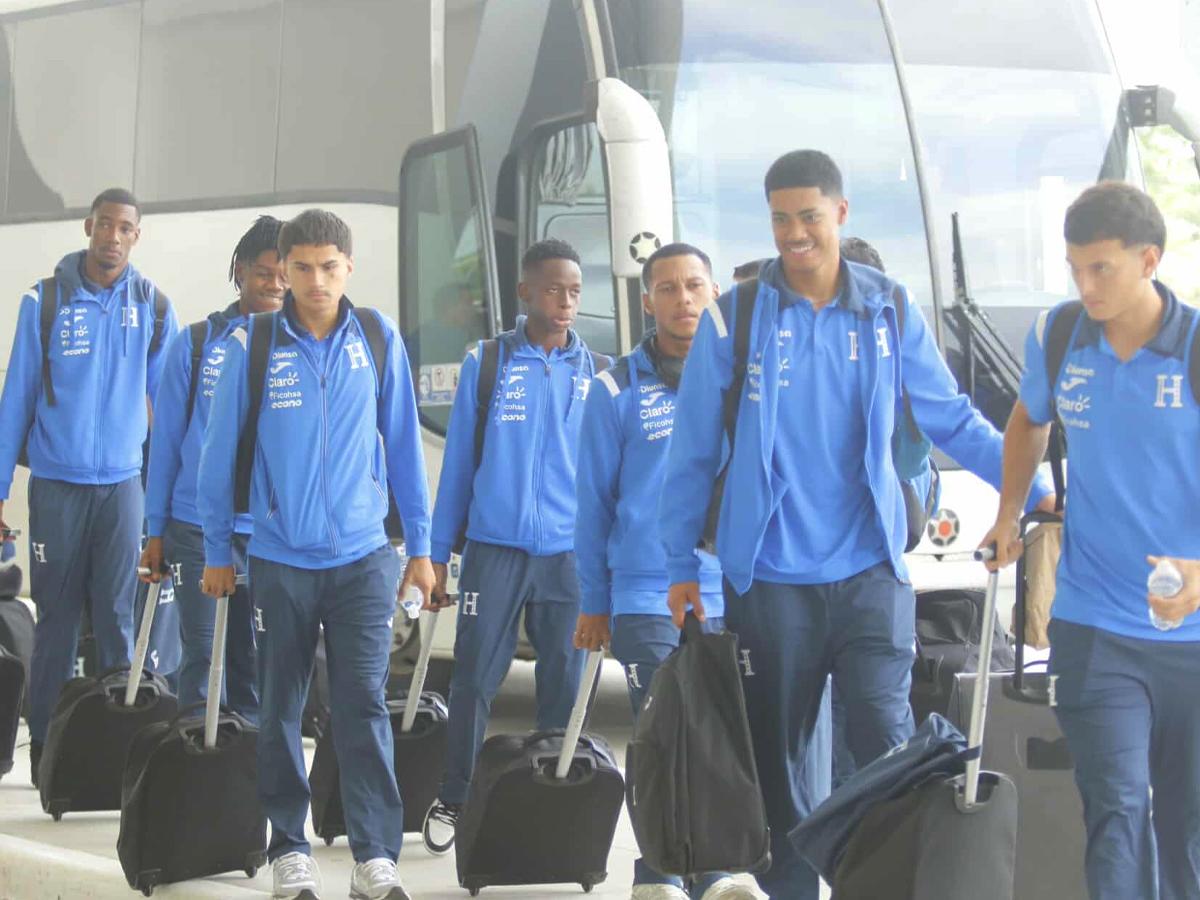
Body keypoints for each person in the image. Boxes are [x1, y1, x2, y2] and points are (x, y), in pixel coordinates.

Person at [658, 150, 1055, 900]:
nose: (794, 233)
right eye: (781, 218)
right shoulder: (732, 318)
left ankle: (880, 886)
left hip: (872, 574)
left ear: (840, 214)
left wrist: (1028, 491)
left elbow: (951, 416)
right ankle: (793, 892)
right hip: (768, 584)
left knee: (885, 741)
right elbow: (692, 451)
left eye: (809, 216)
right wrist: (683, 564)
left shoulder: (888, 308)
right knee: (778, 764)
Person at [198, 209, 434, 900]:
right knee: (280, 705)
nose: (314, 280)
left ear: (349, 268)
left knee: (361, 702)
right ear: (282, 269)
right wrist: (219, 549)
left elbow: (403, 449)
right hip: (278, 558)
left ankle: (374, 857)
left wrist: (420, 548)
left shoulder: (377, 338)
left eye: (329, 267)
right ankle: (289, 851)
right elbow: (218, 461)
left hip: (364, 558)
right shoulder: (254, 345)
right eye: (300, 267)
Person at [982, 182, 1200, 900]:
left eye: (1101, 267)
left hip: (1193, 637)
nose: (1085, 284)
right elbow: (1029, 421)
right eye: (1075, 267)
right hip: (1094, 622)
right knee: (1117, 809)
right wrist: (1010, 512)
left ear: (1150, 260)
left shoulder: (1195, 346)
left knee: (1187, 824)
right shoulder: (1059, 332)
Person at [573, 242, 754, 900]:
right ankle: (664, 872)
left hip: (731, 589)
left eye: (696, 286)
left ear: (714, 295)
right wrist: (594, 602)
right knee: (670, 725)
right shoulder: (613, 389)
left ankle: (711, 867)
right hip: (646, 593)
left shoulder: (742, 380)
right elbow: (591, 507)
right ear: (646, 301)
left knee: (725, 730)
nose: (684, 300)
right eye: (669, 288)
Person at [422, 238, 608, 854]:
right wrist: (439, 553)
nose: (566, 302)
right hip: (494, 550)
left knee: (564, 678)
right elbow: (458, 471)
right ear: (525, 291)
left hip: (567, 556)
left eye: (575, 291)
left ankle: (551, 794)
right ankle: (455, 793)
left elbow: (609, 477)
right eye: (553, 289)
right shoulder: (490, 363)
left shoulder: (597, 374)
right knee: (474, 675)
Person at [0, 187, 178, 786]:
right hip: (56, 486)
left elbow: (170, 414)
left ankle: (114, 753)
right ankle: (48, 748)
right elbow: (15, 401)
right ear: (88, 227)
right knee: (55, 619)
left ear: (136, 235)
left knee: (118, 620)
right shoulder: (43, 302)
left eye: (124, 227)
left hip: (123, 488)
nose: (113, 237)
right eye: (104, 225)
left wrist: (166, 498)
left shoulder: (153, 308)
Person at [141, 216, 287, 720]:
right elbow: (165, 448)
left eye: (283, 274)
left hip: (271, 534)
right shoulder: (198, 343)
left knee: (258, 664)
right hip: (196, 529)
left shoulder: (300, 348)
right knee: (202, 656)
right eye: (264, 273)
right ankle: (198, 780)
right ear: (240, 271)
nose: (275, 285)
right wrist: (155, 530)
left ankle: (247, 779)